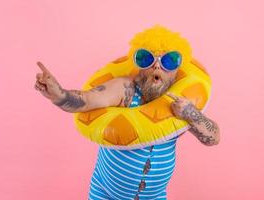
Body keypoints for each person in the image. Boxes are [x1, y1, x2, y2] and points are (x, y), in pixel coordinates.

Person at [34, 26, 220, 200]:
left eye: (168, 61)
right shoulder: (126, 90)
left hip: (155, 197)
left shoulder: (180, 102)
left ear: (177, 69)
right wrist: (58, 94)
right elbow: (86, 100)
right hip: (106, 194)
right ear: (137, 64)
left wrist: (191, 114)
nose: (157, 67)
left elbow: (213, 138)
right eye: (146, 59)